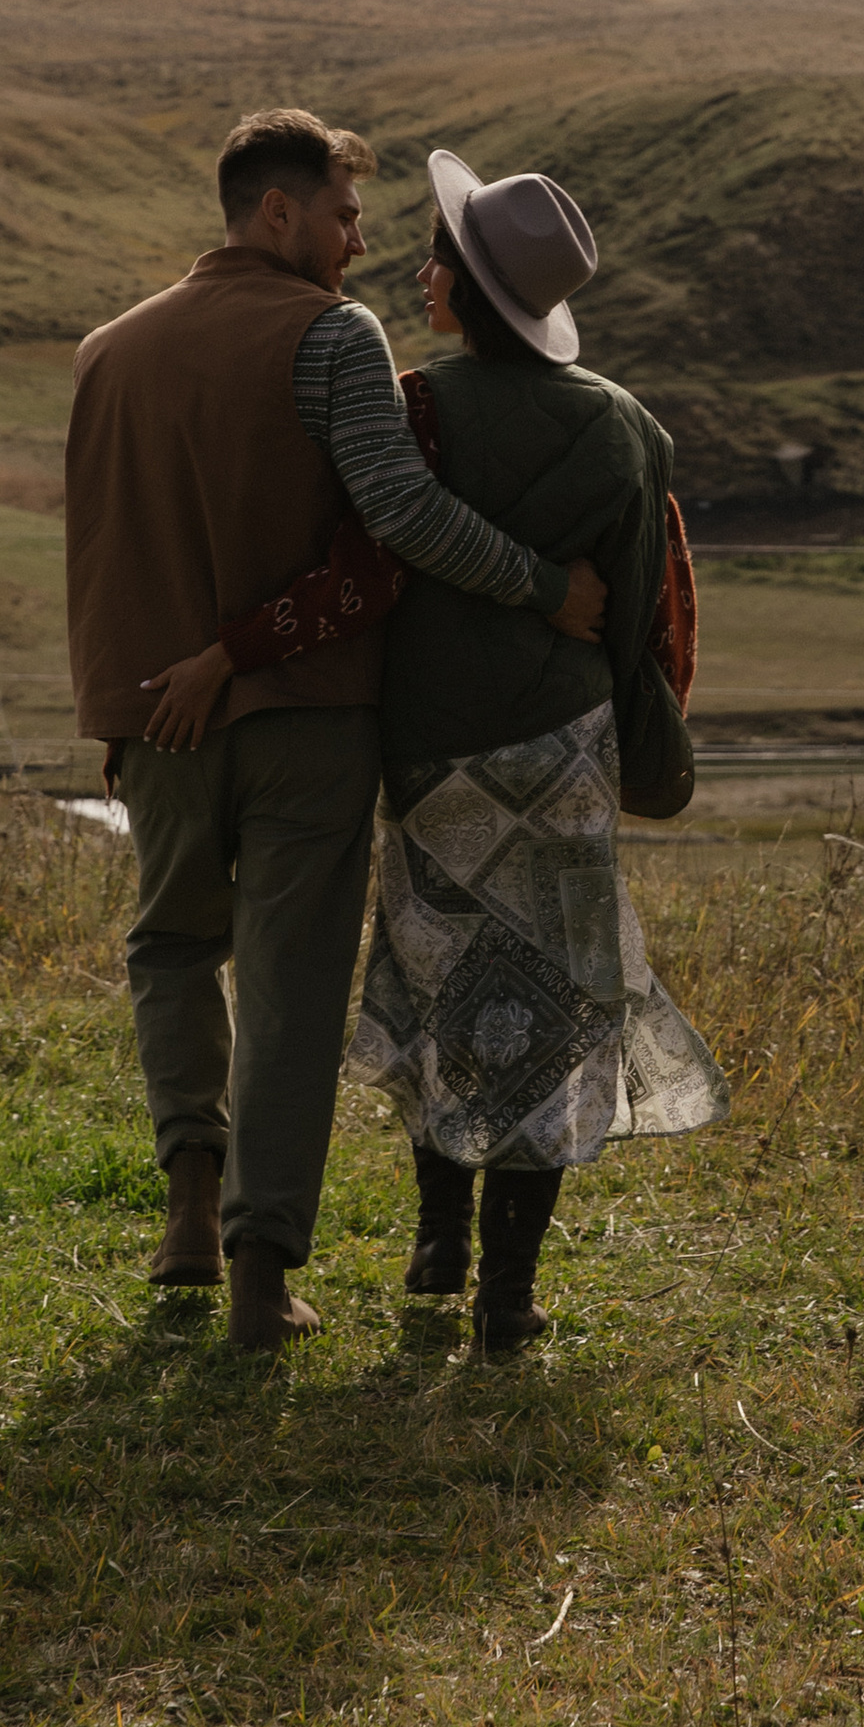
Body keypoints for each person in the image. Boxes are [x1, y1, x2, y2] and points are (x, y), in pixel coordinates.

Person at [63, 109, 608, 1356]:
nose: (359, 243)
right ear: (278, 212)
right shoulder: (331, 336)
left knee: (170, 948)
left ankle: (188, 1199)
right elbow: (401, 514)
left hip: (155, 718)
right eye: (344, 215)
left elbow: (101, 546)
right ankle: (260, 1275)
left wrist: (119, 710)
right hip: (305, 715)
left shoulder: (106, 351)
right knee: (292, 987)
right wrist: (541, 587)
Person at [344, 149, 727, 1354]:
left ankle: (438, 1238)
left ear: (466, 287)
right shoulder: (624, 426)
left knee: (440, 985)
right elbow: (646, 611)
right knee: (551, 1012)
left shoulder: (411, 407)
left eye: (435, 260)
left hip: (430, 756)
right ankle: (507, 1295)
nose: (420, 274)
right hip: (562, 755)